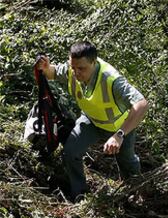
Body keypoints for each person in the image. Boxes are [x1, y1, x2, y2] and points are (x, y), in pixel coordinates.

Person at [36, 41, 149, 201]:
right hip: (91, 121)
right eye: (73, 67)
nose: (76, 72)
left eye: (81, 68)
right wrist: (46, 68)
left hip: (120, 127)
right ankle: (80, 195)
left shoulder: (112, 80)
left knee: (128, 163)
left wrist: (119, 135)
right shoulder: (72, 68)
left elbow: (142, 104)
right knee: (70, 152)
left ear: (94, 62)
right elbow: (52, 72)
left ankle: (136, 194)